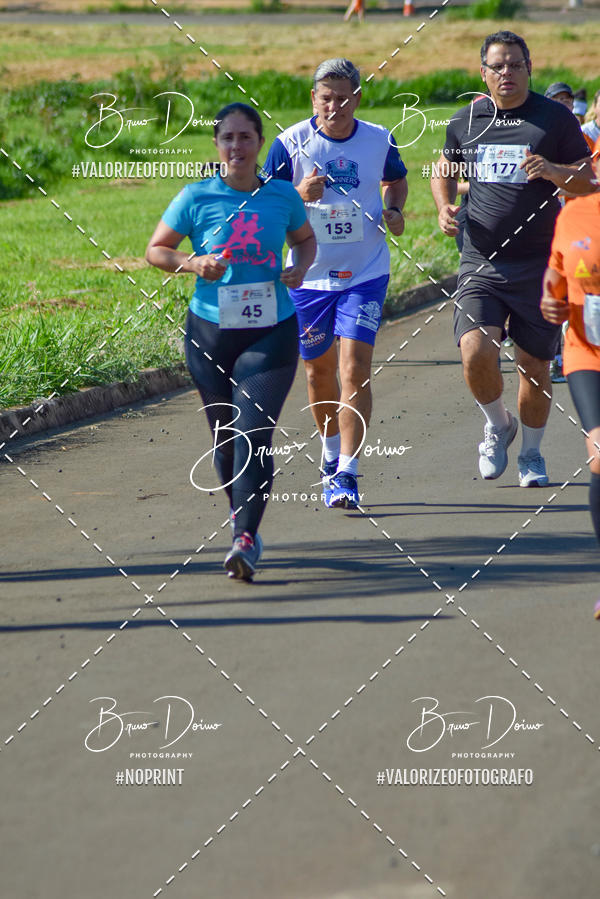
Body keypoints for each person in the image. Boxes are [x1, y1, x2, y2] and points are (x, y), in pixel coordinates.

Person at [146, 103, 316, 580]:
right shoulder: (196, 196)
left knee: (254, 434)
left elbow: (305, 240)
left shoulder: (282, 195)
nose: (237, 147)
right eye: (228, 138)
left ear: (260, 143)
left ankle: (243, 538)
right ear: (217, 145)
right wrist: (193, 263)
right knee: (224, 439)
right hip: (209, 333)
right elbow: (155, 250)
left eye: (246, 137)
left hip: (271, 330)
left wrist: (299, 267)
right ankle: (244, 518)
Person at [431, 30, 593, 487]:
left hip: (539, 264)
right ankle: (497, 424)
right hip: (481, 260)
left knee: (535, 367)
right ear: (483, 73)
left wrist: (555, 171)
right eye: (497, 66)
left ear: (529, 68)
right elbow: (444, 167)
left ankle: (532, 454)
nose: (507, 73)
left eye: (515, 64)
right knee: (475, 350)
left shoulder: (555, 119)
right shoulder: (467, 120)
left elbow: (587, 180)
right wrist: (444, 205)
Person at [263, 58, 408, 509]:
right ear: (313, 99)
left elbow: (397, 180)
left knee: (353, 370)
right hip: (308, 277)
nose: (335, 106)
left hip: (365, 272)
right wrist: (296, 196)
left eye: (344, 97)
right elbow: (262, 207)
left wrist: (393, 208)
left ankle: (347, 472)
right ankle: (328, 457)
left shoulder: (378, 140)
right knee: (317, 372)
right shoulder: (289, 144)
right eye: (326, 97)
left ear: (357, 98)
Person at [540, 153, 600, 618]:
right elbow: (557, 273)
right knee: (599, 454)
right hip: (587, 353)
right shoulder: (574, 212)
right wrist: (550, 300)